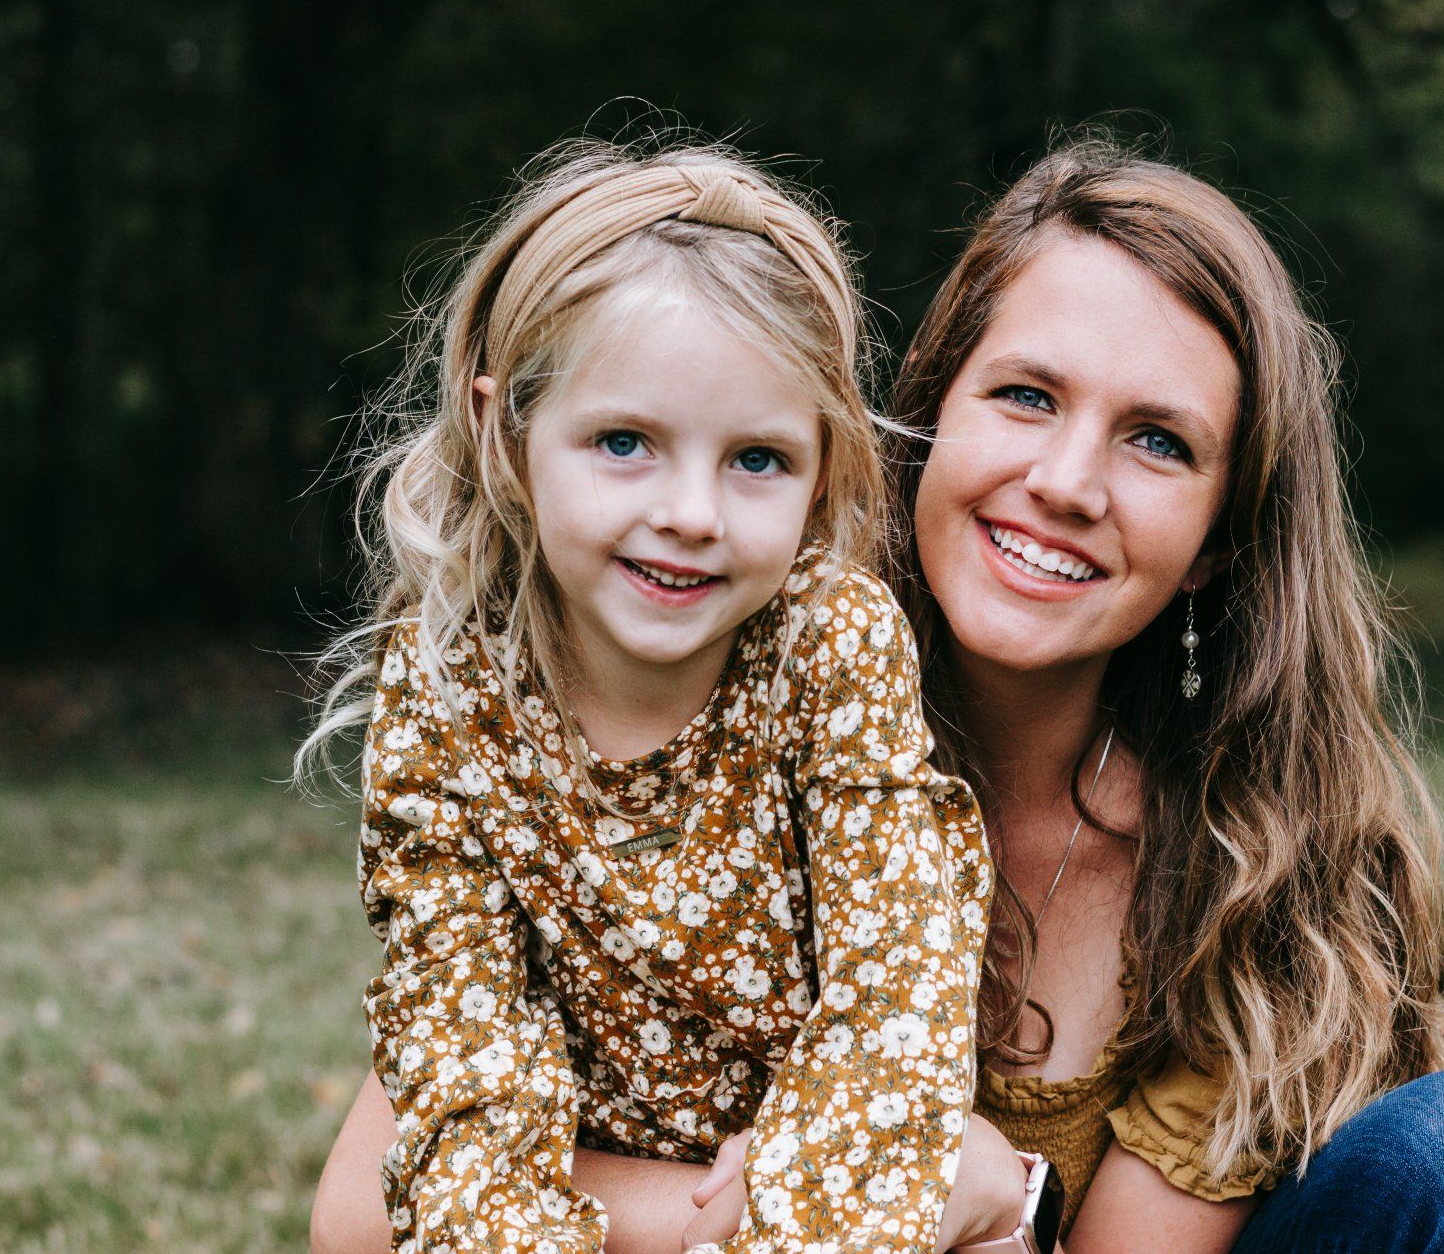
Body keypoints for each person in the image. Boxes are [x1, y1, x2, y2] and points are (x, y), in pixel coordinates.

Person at [311, 138, 1444, 1254]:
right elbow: (380, 1205)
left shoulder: (1256, 836)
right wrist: (867, 1195)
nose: (1068, 480)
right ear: (918, 419)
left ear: (1221, 540)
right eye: (1025, 397)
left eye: (1157, 442)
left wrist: (1009, 1196)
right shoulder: (689, 693)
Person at [301, 140, 1026, 1254]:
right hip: (579, 1202)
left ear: (824, 469)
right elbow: (464, 1049)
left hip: (838, 1194)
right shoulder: (450, 682)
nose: (692, 511)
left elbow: (899, 994)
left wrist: (807, 1208)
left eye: (757, 459)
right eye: (625, 442)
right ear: (507, 431)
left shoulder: (828, 646)